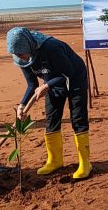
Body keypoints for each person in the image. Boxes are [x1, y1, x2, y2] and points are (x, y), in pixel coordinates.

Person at [6, 27, 92, 179]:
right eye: (17, 55)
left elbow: (68, 73)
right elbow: (32, 84)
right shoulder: (22, 59)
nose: (21, 58)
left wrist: (46, 86)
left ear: (29, 46)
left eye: (22, 54)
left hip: (75, 78)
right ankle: (55, 160)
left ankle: (85, 163)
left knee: (78, 118)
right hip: (52, 83)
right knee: (51, 120)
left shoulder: (52, 47)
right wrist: (22, 106)